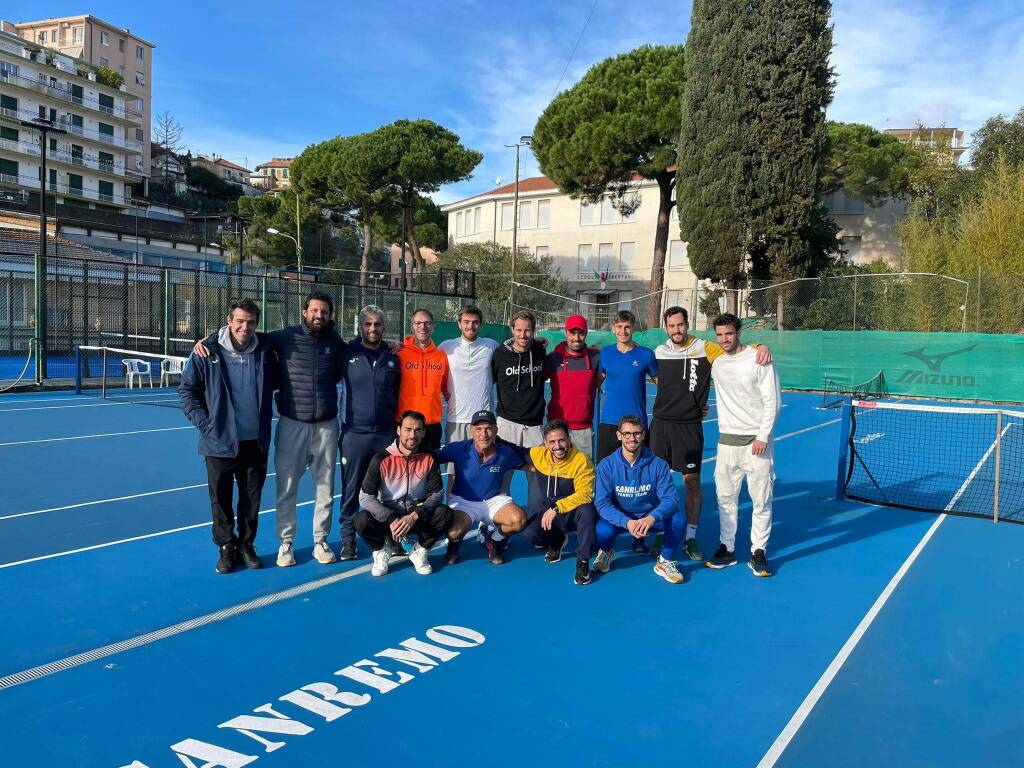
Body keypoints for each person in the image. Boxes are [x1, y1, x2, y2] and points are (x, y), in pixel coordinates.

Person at [190, 290, 344, 569]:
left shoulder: (336, 342)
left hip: (324, 427)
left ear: (330, 315)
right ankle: (284, 543)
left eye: (324, 311)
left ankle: (319, 540)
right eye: (314, 310)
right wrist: (206, 341)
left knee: (324, 488)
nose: (319, 315)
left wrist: (394, 346)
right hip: (289, 424)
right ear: (304, 312)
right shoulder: (280, 338)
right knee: (284, 488)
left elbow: (356, 355)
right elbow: (240, 336)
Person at [650, 306, 772, 562]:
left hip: (690, 427)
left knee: (691, 482)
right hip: (661, 426)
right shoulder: (658, 353)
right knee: (658, 483)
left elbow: (737, 349)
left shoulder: (706, 348)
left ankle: (691, 536)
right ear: (666, 327)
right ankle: (664, 531)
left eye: (680, 325)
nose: (676, 330)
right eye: (671, 326)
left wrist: (761, 344)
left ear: (687, 325)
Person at [179, 299, 275, 574]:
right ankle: (225, 547)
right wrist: (205, 424)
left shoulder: (266, 349)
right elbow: (187, 392)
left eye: (251, 322)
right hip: (218, 441)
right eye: (240, 321)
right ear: (229, 321)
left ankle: (246, 545)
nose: (245, 327)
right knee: (220, 501)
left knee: (251, 500)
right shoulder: (206, 351)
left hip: (255, 442)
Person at [704, 313, 781, 577]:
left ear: (738, 333)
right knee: (725, 499)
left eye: (729, 333)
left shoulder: (760, 359)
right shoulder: (716, 362)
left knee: (761, 500)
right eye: (720, 335)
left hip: (756, 444)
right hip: (726, 443)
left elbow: (773, 401)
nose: (725, 339)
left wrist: (762, 436)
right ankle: (727, 548)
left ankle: (758, 551)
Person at [337, 304, 401, 561]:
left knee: (388, 491)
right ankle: (348, 539)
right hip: (355, 434)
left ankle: (391, 536)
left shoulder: (393, 356)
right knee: (351, 489)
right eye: (368, 324)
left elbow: (397, 391)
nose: (373, 328)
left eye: (377, 324)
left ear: (384, 327)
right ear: (360, 326)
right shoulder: (345, 354)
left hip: (385, 434)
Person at [355, 410, 453, 578]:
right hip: (389, 519)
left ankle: (419, 550)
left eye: (417, 430)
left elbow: (437, 493)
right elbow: (365, 497)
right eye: (408, 429)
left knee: (445, 513)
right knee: (361, 520)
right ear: (399, 430)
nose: (412, 435)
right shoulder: (381, 459)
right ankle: (381, 550)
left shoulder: (429, 458)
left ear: (423, 433)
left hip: (416, 515)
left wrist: (414, 515)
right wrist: (391, 518)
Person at [593, 414, 685, 584]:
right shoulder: (606, 465)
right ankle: (606, 551)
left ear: (643, 435)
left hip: (648, 519)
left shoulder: (658, 464)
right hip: (622, 519)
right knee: (602, 530)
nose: (632, 438)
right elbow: (602, 503)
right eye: (627, 433)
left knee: (678, 520)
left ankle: (664, 561)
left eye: (636, 433)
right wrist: (626, 522)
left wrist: (652, 518)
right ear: (619, 435)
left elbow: (671, 500)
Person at [435, 410, 528, 565]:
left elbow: (530, 466)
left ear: (496, 430)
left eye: (488, 428)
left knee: (518, 520)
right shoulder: (458, 449)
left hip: (493, 500)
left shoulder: (506, 453)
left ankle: (494, 540)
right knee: (453, 531)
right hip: (463, 502)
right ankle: (454, 545)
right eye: (478, 429)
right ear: (471, 431)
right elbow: (431, 457)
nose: (483, 434)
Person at [521, 419, 597, 586]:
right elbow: (515, 452)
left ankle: (583, 562)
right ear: (546, 444)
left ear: (569, 440)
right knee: (530, 534)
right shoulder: (539, 454)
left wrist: (557, 507)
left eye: (562, 440)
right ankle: (557, 540)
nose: (558, 446)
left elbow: (585, 494)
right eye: (552, 442)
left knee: (587, 511)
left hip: (575, 510)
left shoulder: (581, 461)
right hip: (552, 508)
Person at [596, 310, 657, 462]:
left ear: (633, 328)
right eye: (619, 326)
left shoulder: (646, 354)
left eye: (627, 327)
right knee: (604, 469)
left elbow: (662, 385)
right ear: (613, 328)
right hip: (609, 422)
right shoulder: (605, 354)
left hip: (636, 423)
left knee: (639, 469)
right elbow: (595, 382)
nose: (623, 331)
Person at [439, 305, 499, 444]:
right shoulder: (446, 347)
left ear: (480, 325)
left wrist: (535, 343)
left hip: (484, 422)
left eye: (475, 322)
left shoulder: (491, 346)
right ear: (459, 324)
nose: (470, 326)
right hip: (456, 420)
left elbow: (512, 351)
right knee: (453, 466)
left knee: (485, 464)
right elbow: (433, 370)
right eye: (466, 322)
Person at [546, 314, 600, 459]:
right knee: (558, 476)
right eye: (572, 333)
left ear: (586, 334)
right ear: (565, 333)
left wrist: (634, 345)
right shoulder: (552, 359)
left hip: (584, 430)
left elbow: (618, 354)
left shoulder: (596, 358)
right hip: (557, 429)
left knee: (584, 476)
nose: (576, 338)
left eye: (581, 333)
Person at [491, 310, 547, 448]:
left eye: (527, 330)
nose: (523, 335)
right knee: (503, 469)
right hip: (506, 424)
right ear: (512, 329)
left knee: (536, 469)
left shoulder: (539, 351)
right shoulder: (499, 354)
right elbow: (490, 380)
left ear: (534, 331)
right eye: (519, 330)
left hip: (534, 426)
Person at [395, 308, 449, 451]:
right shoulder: (399, 353)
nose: (422, 327)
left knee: (431, 471)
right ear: (412, 326)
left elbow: (444, 387)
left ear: (433, 326)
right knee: (405, 472)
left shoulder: (441, 357)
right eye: (418, 323)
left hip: (432, 426)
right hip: (407, 425)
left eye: (427, 323)